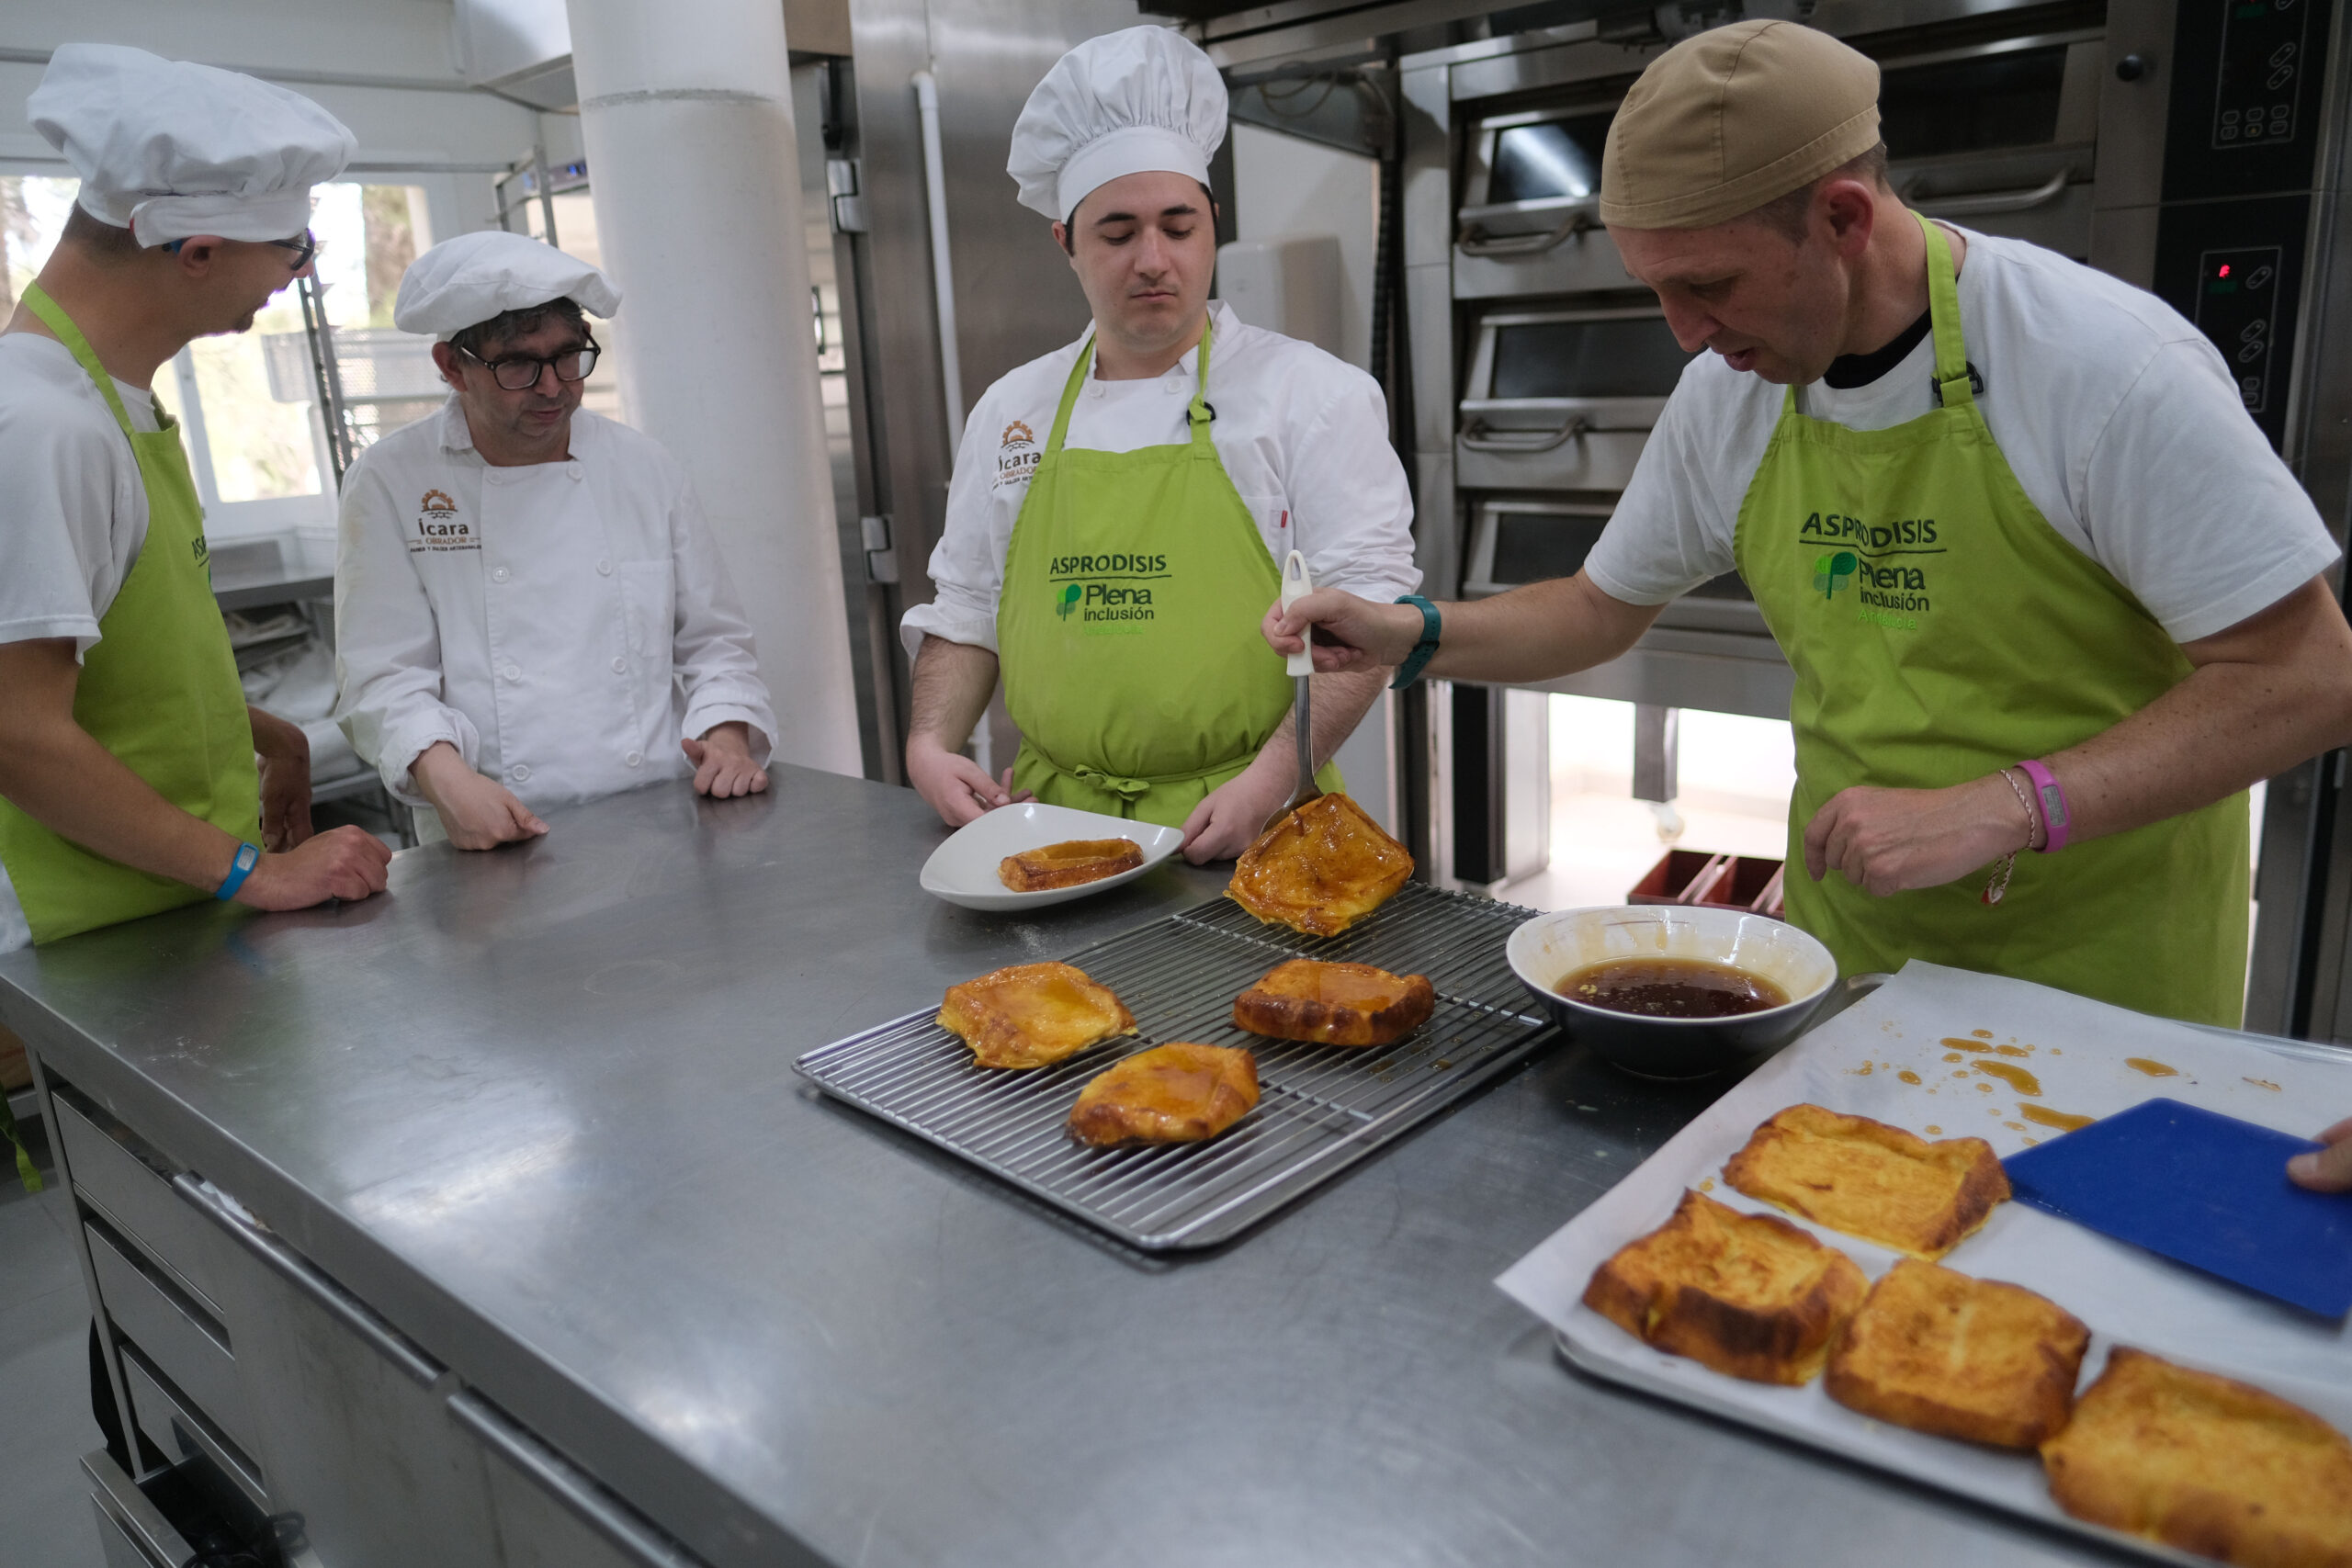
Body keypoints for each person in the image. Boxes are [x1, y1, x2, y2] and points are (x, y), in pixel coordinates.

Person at [1270, 20, 2352, 1028]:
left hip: (2101, 982)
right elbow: (1600, 608)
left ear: (1842, 217)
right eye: (1656, 291)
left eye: (1709, 285)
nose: (1686, 335)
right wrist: (1413, 632)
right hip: (1856, 954)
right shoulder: (1730, 392)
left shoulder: (2105, 369)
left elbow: (2309, 677)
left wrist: (2012, 805)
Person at [899, 26, 1419, 863]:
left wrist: (1272, 779)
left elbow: (1370, 622)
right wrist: (930, 742)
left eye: (1179, 228)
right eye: (1117, 233)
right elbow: (966, 608)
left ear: (1212, 224)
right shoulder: (1010, 411)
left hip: (1258, 822)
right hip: (1052, 828)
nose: (1153, 260)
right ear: (1065, 242)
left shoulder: (1312, 397)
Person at [0, 44, 392, 958]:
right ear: (198, 251)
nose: (293, 275)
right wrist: (258, 873)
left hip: (149, 909)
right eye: (291, 249)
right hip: (74, 941)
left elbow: (98, 658)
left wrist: (265, 733)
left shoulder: (104, 398)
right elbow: (16, 733)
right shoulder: (38, 425)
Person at [334, 231, 778, 849]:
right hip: (492, 830)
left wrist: (727, 737)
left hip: (660, 822)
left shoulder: (643, 467)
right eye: (518, 364)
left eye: (569, 356)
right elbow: (382, 677)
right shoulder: (392, 480)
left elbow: (715, 643)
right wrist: (447, 779)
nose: (553, 387)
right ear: (451, 366)